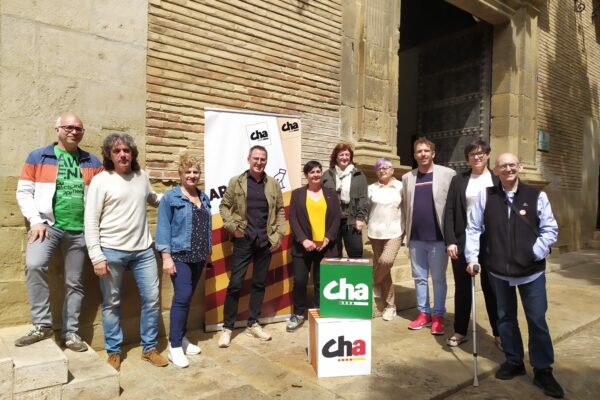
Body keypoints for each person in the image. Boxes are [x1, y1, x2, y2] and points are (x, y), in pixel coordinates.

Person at [465, 153, 563, 399]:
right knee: (505, 318)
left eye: (512, 164)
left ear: (519, 167)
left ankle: (543, 370)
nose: (508, 169)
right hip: (498, 271)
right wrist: (472, 257)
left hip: (531, 272)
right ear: (495, 170)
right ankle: (514, 360)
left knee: (537, 320)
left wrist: (535, 252)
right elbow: (473, 228)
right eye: (503, 166)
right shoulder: (486, 196)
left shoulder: (537, 196)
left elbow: (550, 229)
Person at [15, 112, 103, 351]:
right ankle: (42, 325)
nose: (74, 132)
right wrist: (35, 221)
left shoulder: (92, 162)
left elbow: (103, 194)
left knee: (75, 282)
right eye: (68, 127)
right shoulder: (39, 156)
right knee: (35, 265)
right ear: (57, 130)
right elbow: (24, 191)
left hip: (80, 230)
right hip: (47, 226)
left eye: (78, 128)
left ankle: (71, 332)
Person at [84, 133, 167, 371]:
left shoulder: (142, 176)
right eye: (117, 151)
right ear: (109, 155)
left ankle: (149, 349)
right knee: (111, 303)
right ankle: (114, 351)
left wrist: (180, 195)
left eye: (127, 150)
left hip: (144, 251)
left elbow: (153, 198)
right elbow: (90, 221)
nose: (123, 154)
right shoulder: (101, 181)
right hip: (111, 251)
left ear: (133, 153)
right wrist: (97, 256)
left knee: (152, 300)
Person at [218, 145, 286, 347]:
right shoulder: (237, 182)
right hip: (243, 240)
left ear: (266, 161)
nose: (259, 162)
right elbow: (224, 206)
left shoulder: (273, 184)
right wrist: (233, 228)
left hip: (265, 241)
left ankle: (253, 324)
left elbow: (280, 210)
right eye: (255, 158)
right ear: (248, 159)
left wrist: (278, 235)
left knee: (259, 283)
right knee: (235, 284)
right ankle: (227, 328)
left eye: (262, 159)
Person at [155, 153, 211, 368]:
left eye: (195, 172)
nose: (192, 175)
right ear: (180, 173)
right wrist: (166, 257)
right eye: (188, 172)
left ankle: (182, 338)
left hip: (199, 256)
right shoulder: (171, 198)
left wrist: (207, 253)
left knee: (187, 299)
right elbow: (163, 227)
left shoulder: (204, 198)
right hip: (180, 255)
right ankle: (175, 346)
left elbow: (205, 227)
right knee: (182, 296)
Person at [444, 140, 500, 349]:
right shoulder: (459, 180)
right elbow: (450, 211)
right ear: (468, 158)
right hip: (463, 239)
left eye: (480, 153)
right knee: (463, 288)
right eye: (472, 154)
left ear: (487, 155)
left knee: (492, 288)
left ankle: (499, 333)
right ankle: (460, 330)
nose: (477, 157)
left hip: (491, 242)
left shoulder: (497, 180)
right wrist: (450, 240)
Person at [401, 137, 455, 335]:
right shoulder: (407, 177)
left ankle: (438, 315)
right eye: (418, 151)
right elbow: (405, 207)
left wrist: (453, 237)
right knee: (419, 278)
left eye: (426, 151)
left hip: (438, 238)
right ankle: (423, 313)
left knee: (438, 279)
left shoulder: (448, 174)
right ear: (414, 155)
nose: (422, 154)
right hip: (416, 238)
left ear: (433, 153)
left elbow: (453, 206)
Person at [287, 161, 341, 332]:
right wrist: (303, 240)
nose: (316, 175)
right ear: (306, 175)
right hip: (303, 247)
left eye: (318, 171)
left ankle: (319, 312)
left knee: (321, 281)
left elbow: (336, 218)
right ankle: (298, 314)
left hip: (325, 246)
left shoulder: (331, 194)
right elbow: (293, 219)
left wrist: (328, 238)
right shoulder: (297, 194)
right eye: (312, 172)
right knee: (300, 281)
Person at [367, 158, 403, 321]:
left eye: (386, 167)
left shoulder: (401, 186)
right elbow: (366, 208)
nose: (382, 170)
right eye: (379, 168)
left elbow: (407, 207)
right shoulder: (371, 188)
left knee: (386, 261)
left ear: (392, 170)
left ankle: (373, 281)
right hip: (375, 233)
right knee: (385, 269)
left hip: (395, 231)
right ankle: (390, 306)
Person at [322, 143, 368, 258]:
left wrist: (360, 218)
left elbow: (363, 198)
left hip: (351, 220)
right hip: (332, 221)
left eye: (347, 155)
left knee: (356, 253)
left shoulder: (358, 174)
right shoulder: (327, 175)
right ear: (336, 157)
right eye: (341, 154)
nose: (344, 157)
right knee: (333, 255)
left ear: (350, 157)